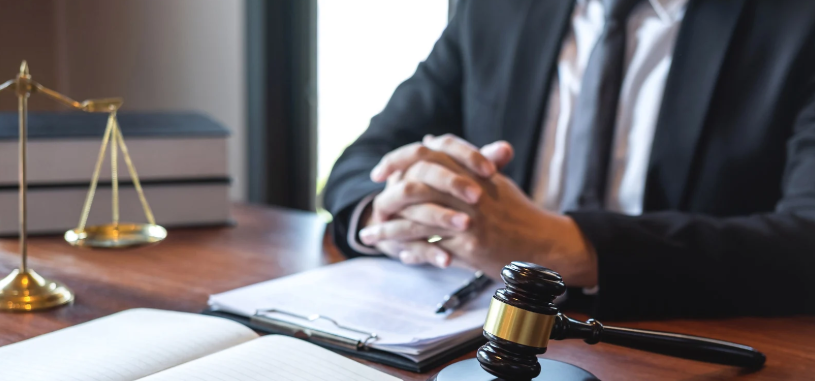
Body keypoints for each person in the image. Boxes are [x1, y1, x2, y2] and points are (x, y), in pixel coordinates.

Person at [322, 0, 815, 319]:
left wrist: (568, 248)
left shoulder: (795, 24)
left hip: (688, 354)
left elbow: (804, 242)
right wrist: (396, 211)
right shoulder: (495, 12)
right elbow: (362, 164)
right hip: (475, 334)